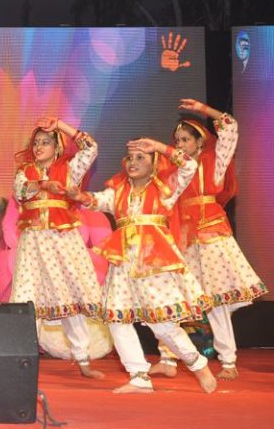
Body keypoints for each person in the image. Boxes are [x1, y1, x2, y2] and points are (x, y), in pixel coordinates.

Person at [67, 138, 216, 394]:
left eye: (140, 157)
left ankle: (197, 363)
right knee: (116, 318)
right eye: (130, 157)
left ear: (154, 163)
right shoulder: (118, 190)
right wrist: (77, 195)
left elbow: (189, 166)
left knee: (162, 324)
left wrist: (158, 147)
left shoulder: (166, 188)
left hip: (154, 263)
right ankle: (139, 377)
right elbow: (95, 200)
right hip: (123, 263)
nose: (132, 162)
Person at [149, 99, 267, 380]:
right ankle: (167, 359)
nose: (180, 145)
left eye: (185, 140)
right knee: (173, 298)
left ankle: (228, 361)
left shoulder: (214, 161)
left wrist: (203, 110)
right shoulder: (174, 169)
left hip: (212, 237)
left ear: (200, 142)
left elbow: (229, 127)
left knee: (216, 302)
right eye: (177, 140)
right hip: (183, 239)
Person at [9, 118, 105, 378]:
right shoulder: (25, 171)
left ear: (57, 147)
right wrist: (43, 185)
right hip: (33, 242)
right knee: (26, 298)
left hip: (61, 241)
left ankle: (83, 359)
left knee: (68, 297)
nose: (39, 147)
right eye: (36, 143)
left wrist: (61, 125)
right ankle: (20, 360)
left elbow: (90, 148)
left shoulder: (69, 168)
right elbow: (20, 191)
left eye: (46, 142)